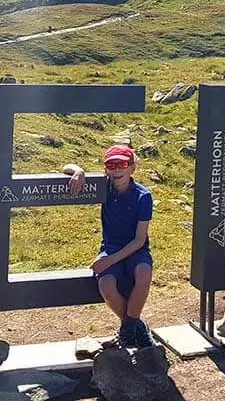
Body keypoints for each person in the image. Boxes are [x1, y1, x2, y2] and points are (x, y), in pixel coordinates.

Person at [64, 145, 154, 348]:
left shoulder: (143, 196)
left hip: (135, 251)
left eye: (122, 164)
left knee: (143, 273)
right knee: (106, 286)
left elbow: (140, 240)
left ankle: (127, 330)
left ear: (132, 168)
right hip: (110, 248)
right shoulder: (103, 187)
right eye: (111, 165)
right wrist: (79, 171)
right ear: (105, 169)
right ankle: (135, 327)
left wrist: (109, 261)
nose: (116, 169)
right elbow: (66, 166)